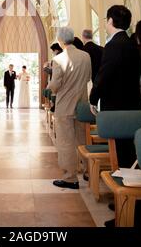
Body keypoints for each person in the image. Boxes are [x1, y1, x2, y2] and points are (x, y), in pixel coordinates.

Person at [89, 5, 141, 175]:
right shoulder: (132, 44)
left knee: (119, 148)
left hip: (116, 106)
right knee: (128, 148)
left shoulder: (113, 45)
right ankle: (129, 187)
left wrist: (93, 98)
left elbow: (104, 75)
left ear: (110, 20)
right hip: (132, 104)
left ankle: (123, 190)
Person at [48, 27, 91, 190]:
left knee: (66, 142)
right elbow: (88, 77)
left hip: (65, 106)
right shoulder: (86, 56)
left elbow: (55, 85)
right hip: (81, 105)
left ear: (60, 41)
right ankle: (88, 171)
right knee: (82, 140)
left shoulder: (58, 59)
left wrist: (52, 86)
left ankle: (70, 177)